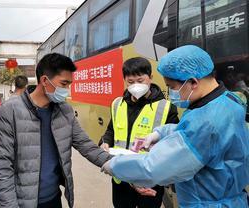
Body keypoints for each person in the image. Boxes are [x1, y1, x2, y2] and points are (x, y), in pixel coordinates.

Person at [101, 45, 249, 207]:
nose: (172, 93)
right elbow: (194, 133)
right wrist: (161, 133)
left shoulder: (205, 121)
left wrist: (113, 166)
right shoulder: (228, 100)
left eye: (172, 87)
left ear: (193, 82)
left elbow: (153, 168)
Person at [0, 53, 113, 208]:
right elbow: (0, 167)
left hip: (54, 199)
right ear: (45, 81)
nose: (67, 90)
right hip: (22, 203)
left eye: (69, 85)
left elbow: (86, 145)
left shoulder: (65, 111)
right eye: (64, 84)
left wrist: (118, 165)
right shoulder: (9, 112)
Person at [99, 57, 179, 208]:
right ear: (124, 80)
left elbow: (175, 142)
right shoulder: (117, 104)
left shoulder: (166, 107)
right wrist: (105, 142)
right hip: (120, 175)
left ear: (150, 78)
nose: (136, 85)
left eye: (140, 81)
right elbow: (111, 130)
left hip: (149, 178)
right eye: (130, 82)